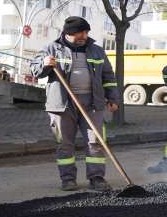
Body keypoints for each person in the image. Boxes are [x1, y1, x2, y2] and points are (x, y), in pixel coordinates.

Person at [30, 16, 119, 192]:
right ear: (68, 33)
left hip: (92, 103)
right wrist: (45, 64)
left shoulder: (97, 51)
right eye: (80, 32)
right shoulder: (51, 49)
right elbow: (35, 70)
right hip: (62, 104)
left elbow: (108, 76)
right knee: (65, 143)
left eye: (86, 32)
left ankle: (97, 178)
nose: (84, 36)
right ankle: (68, 179)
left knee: (95, 141)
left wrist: (113, 98)